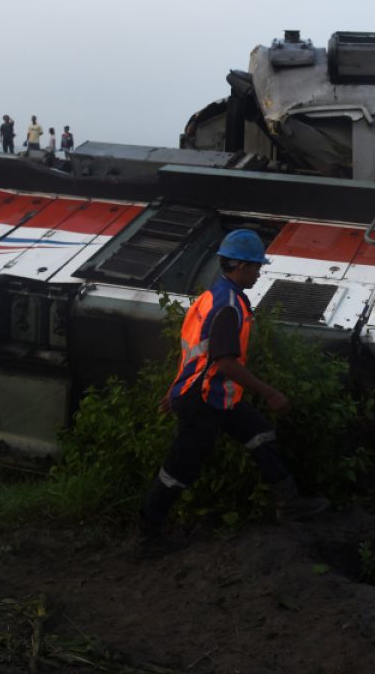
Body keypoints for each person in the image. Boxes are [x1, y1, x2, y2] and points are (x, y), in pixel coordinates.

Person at [138, 229, 329, 551]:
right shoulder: (228, 305)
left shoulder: (212, 296)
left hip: (210, 396)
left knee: (261, 434)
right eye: (256, 267)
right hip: (204, 401)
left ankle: (290, 504)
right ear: (240, 266)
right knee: (179, 469)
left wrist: (177, 391)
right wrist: (269, 392)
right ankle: (148, 537)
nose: (259, 273)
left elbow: (194, 353)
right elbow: (224, 362)